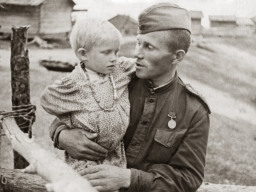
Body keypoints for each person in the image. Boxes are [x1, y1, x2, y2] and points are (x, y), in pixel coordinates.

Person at [49, 2, 211, 192]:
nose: (136, 53)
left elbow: (189, 177)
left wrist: (129, 178)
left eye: (149, 47)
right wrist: (61, 135)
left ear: (177, 56)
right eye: (138, 42)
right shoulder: (114, 78)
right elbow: (69, 113)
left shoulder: (194, 109)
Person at [41, 17, 135, 172]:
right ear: (83, 54)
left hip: (117, 156)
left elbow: (140, 65)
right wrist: (70, 118)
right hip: (84, 160)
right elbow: (47, 99)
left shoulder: (119, 72)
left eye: (116, 52)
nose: (114, 58)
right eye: (106, 52)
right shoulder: (74, 84)